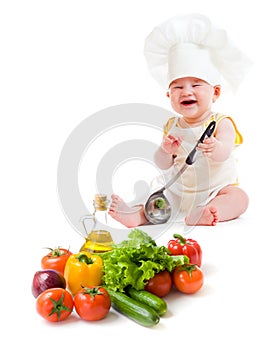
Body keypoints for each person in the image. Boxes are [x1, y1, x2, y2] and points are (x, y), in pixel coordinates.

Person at [108, 14, 252, 227]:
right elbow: (162, 163)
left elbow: (225, 154)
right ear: (169, 96)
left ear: (216, 93)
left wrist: (216, 146)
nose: (186, 92)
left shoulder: (221, 122)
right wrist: (165, 150)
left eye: (196, 85)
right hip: (180, 190)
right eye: (177, 87)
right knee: (155, 201)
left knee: (239, 198)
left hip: (216, 189)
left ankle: (206, 212)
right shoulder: (172, 126)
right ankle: (136, 216)